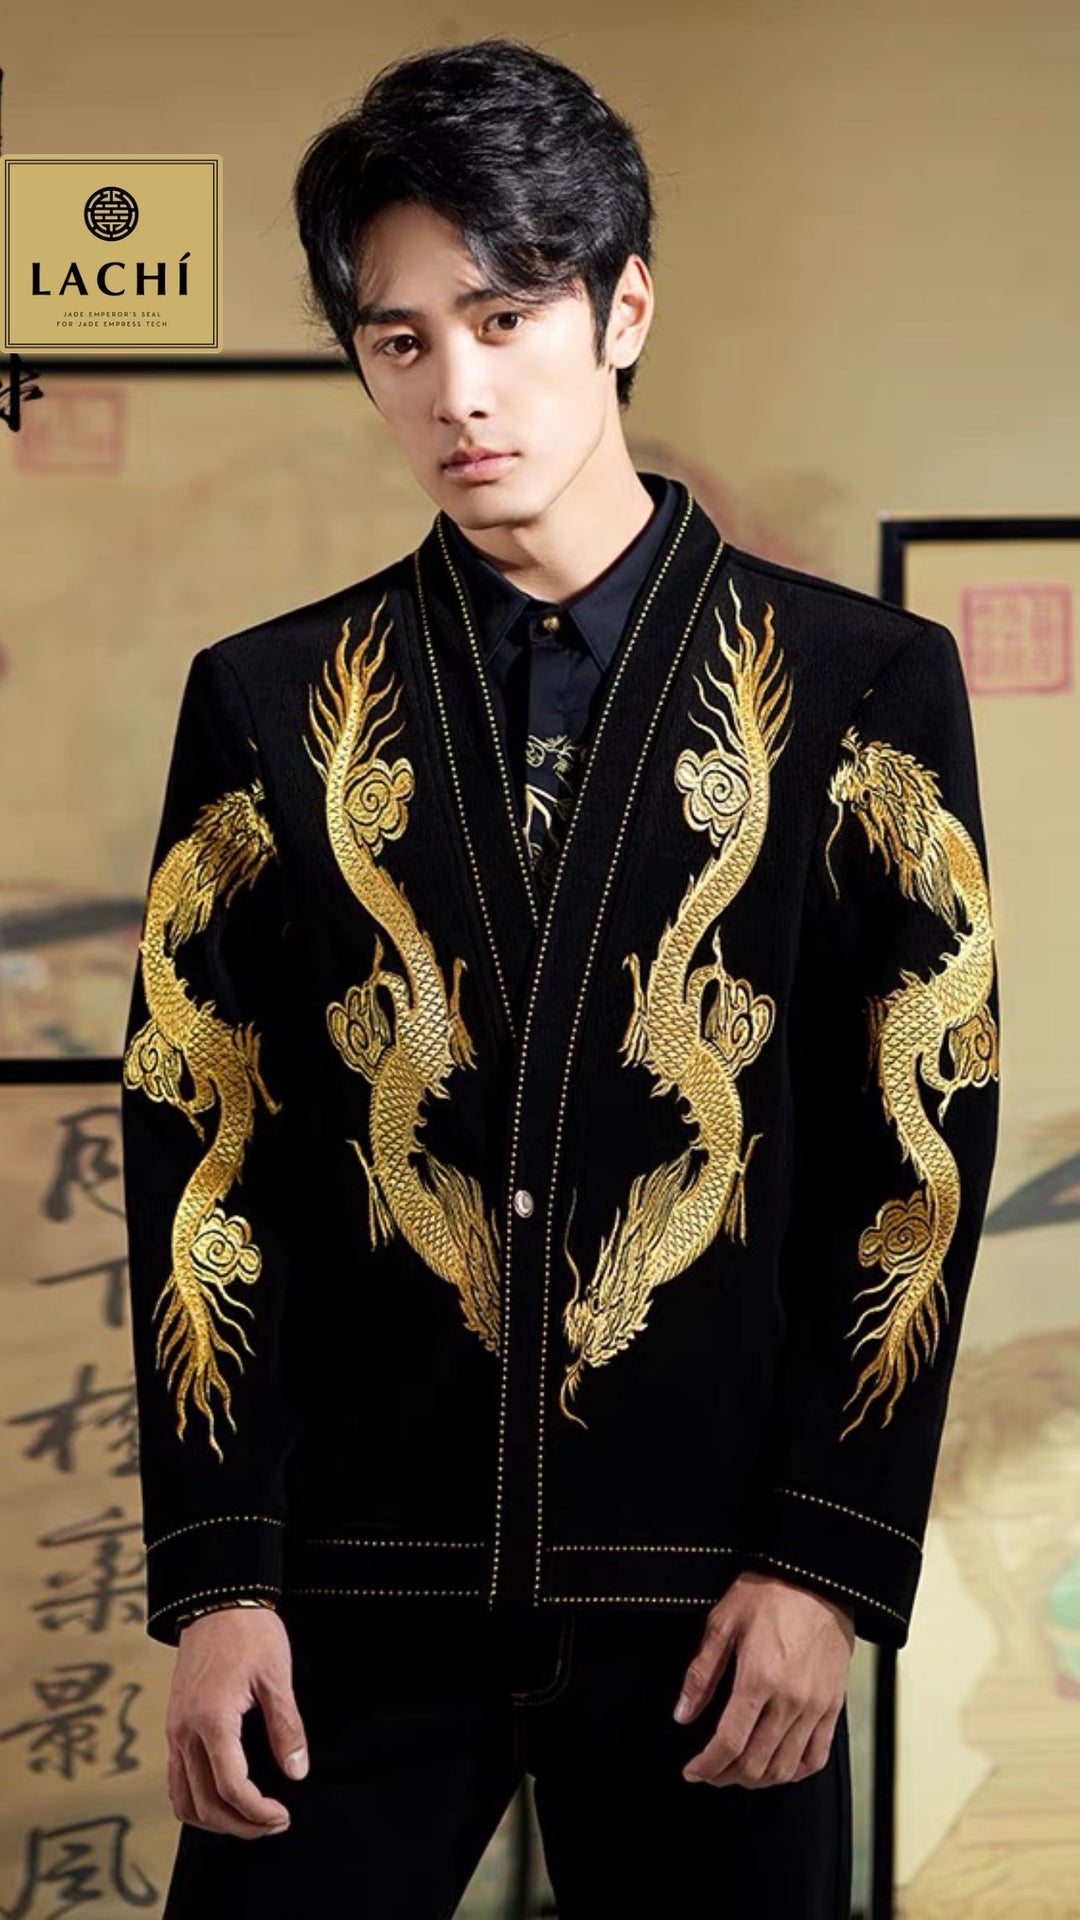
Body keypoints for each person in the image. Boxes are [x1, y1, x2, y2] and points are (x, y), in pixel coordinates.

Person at [119, 35, 1001, 1918]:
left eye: (507, 317)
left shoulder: (862, 687)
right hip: (347, 1596)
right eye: (400, 339)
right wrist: (218, 1581)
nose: (458, 389)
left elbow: (916, 1152)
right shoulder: (267, 703)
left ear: (625, 309)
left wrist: (824, 1566)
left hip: (713, 1604)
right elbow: (203, 1155)